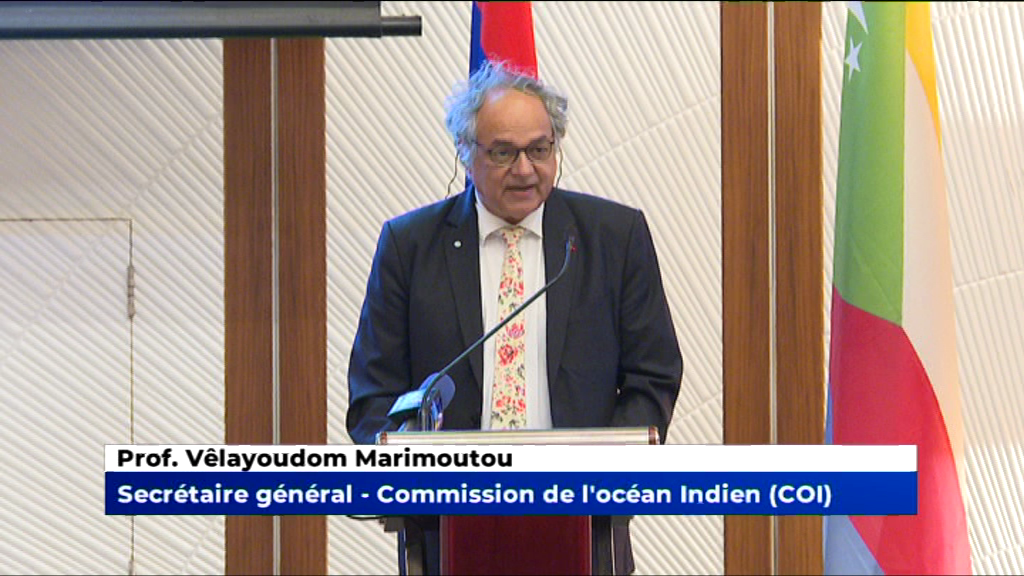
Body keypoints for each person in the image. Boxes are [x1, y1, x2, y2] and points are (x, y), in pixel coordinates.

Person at [346, 60, 683, 575]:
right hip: (448, 532)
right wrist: (407, 472)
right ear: (466, 153)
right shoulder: (409, 246)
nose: (525, 169)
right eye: (504, 152)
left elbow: (653, 377)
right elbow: (374, 397)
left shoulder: (614, 237)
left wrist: (603, 475)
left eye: (540, 149)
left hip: (583, 526)